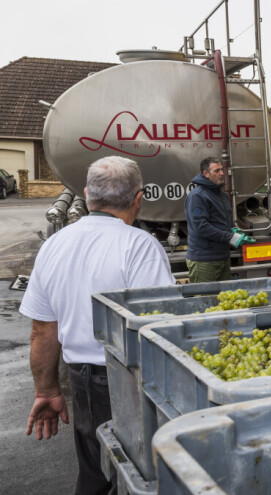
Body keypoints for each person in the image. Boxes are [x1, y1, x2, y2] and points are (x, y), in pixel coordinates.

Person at [19, 156, 176, 495]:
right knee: (140, 477)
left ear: (87, 195)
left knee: (94, 474)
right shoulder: (139, 246)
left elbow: (42, 331)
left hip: (82, 382)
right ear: (138, 198)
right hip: (128, 383)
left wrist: (47, 390)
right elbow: (158, 326)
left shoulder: (53, 246)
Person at [184, 157, 255, 282]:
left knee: (224, 299)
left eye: (222, 170)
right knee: (206, 300)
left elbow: (225, 219)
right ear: (205, 174)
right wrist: (230, 237)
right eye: (216, 171)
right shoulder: (197, 196)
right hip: (204, 260)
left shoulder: (221, 195)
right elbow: (201, 228)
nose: (222, 173)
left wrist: (233, 229)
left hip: (222, 257)